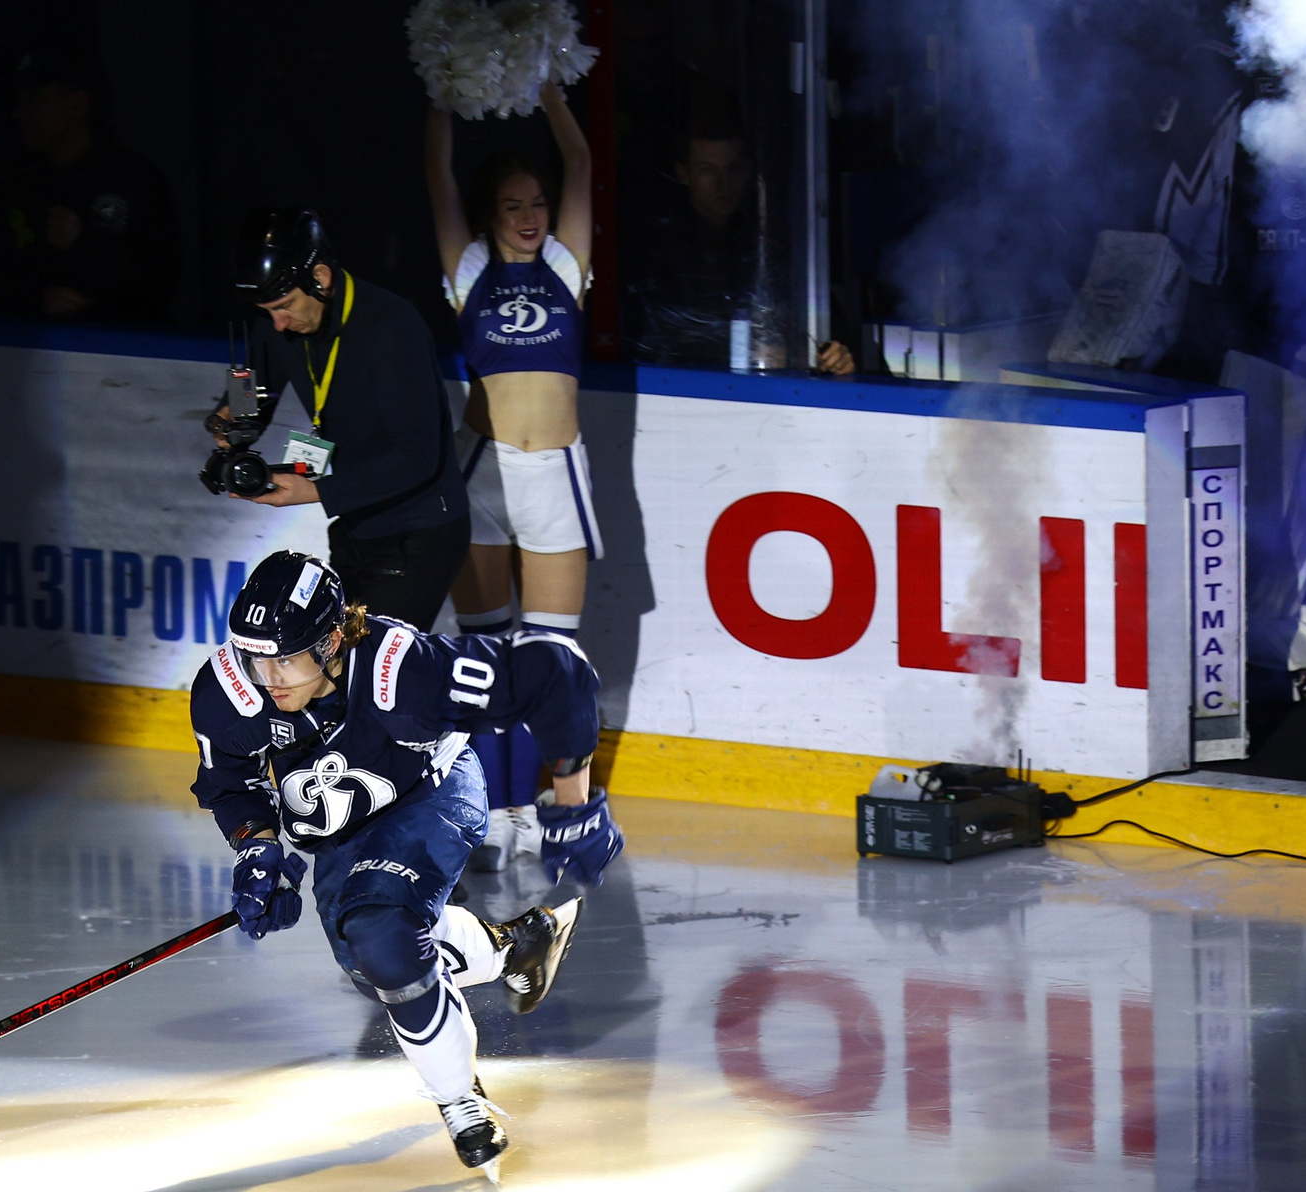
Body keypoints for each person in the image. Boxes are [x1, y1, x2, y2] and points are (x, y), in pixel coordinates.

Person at [190, 550, 624, 1170]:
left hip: (429, 792)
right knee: (377, 967)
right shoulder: (230, 688)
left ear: (333, 636)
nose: (270, 675)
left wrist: (576, 803)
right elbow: (230, 783)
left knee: (385, 936)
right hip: (344, 828)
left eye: (286, 656)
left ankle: (459, 1101)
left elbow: (559, 674)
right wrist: (259, 846)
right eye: (257, 656)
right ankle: (518, 943)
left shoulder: (407, 670)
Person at [425, 84, 601, 871]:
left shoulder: (565, 267)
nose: (530, 216)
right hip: (482, 471)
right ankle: (498, 811)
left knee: (554, 659)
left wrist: (550, 86)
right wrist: (446, 89)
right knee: (485, 656)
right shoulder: (469, 273)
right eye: (511, 205)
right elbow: (435, 166)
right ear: (489, 213)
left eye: (537, 203)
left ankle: (552, 811)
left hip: (555, 471)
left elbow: (581, 158)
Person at [210, 208, 470, 631]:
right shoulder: (276, 323)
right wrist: (229, 425)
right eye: (266, 310)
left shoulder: (390, 327)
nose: (278, 324)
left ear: (322, 278)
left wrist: (314, 490)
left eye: (284, 306)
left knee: (371, 676)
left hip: (419, 529)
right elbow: (253, 398)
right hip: (356, 526)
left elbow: (416, 455)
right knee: (334, 672)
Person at [625, 108, 854, 376]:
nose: (723, 184)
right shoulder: (654, 251)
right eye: (707, 170)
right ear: (683, 174)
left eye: (732, 168)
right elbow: (647, 347)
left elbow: (826, 336)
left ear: (747, 170)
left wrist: (838, 358)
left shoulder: (772, 247)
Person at [0, 47, 180, 323]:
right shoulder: (10, 185)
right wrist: (35, 298)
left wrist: (82, 248)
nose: (19, 114)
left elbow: (161, 278)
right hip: (25, 350)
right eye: (19, 102)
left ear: (77, 104)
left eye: (33, 100)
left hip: (127, 352)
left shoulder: (134, 178)